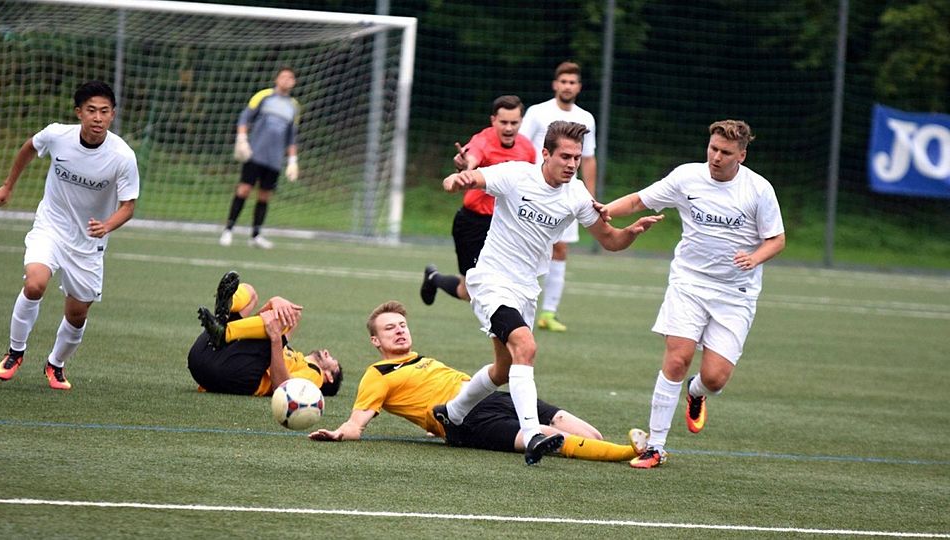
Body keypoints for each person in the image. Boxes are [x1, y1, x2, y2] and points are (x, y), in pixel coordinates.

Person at [433, 121, 663, 465]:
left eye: (577, 157)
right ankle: (533, 434)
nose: (572, 164)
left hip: (526, 289)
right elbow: (473, 178)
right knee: (526, 346)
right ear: (545, 154)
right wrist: (458, 177)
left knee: (502, 368)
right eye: (565, 156)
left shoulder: (576, 195)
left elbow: (610, 240)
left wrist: (632, 231)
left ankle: (452, 412)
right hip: (492, 280)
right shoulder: (516, 175)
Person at [602, 120, 786, 469]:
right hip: (689, 282)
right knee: (677, 358)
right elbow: (640, 200)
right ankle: (656, 446)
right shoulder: (687, 177)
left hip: (735, 293)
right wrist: (600, 211)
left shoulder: (759, 190)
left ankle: (696, 392)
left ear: (741, 156)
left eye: (726, 153)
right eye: (713, 148)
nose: (716, 157)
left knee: (715, 378)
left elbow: (776, 239)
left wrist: (755, 257)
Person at [310, 301, 649, 464]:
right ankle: (628, 453)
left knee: (591, 435)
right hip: (469, 423)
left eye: (402, 324)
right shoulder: (378, 374)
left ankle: (623, 449)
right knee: (553, 437)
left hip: (493, 398)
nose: (399, 330)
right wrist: (340, 432)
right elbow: (357, 423)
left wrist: (427, 423)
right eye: (389, 328)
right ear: (375, 341)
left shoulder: (423, 359)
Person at [0, 80, 140, 390]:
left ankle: (55, 365)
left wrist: (107, 225)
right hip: (51, 227)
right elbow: (29, 148)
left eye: (104, 111)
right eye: (91, 111)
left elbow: (128, 206)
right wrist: (7, 186)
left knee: (77, 313)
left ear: (112, 115)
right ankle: (15, 352)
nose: (98, 118)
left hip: (88, 242)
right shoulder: (57, 135)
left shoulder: (122, 156)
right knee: (35, 284)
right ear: (79, 113)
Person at [420, 95, 536, 305]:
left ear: (521, 121)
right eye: (503, 122)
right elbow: (472, 157)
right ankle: (433, 278)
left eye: (514, 123)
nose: (509, 128)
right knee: (469, 292)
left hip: (505, 226)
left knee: (508, 285)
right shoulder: (482, 141)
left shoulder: (527, 149)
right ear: (493, 120)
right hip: (474, 224)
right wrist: (465, 166)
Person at [519, 61, 598, 332]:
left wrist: (590, 196)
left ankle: (549, 313)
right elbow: (520, 147)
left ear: (579, 87)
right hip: (533, 190)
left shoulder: (586, 118)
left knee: (561, 248)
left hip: (567, 193)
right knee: (528, 244)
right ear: (555, 84)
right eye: (563, 81)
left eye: (572, 82)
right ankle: (517, 302)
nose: (567, 86)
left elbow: (588, 159)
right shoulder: (537, 112)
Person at [190, 271, 343, 397]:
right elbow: (254, 329)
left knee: (286, 319)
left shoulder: (315, 375)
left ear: (328, 377)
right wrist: (273, 302)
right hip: (205, 362)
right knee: (251, 294)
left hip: (232, 374)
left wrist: (276, 337)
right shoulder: (293, 354)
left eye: (333, 361)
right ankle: (228, 305)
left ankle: (224, 332)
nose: (327, 352)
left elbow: (283, 388)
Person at [219, 67, 300, 249]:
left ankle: (255, 235)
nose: (287, 80)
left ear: (294, 82)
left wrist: (293, 161)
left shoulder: (293, 106)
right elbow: (244, 118)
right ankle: (228, 230)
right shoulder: (263, 96)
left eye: (290, 78)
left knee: (264, 196)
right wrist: (241, 139)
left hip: (275, 159)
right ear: (277, 79)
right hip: (255, 154)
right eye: (284, 76)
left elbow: (292, 137)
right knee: (244, 190)